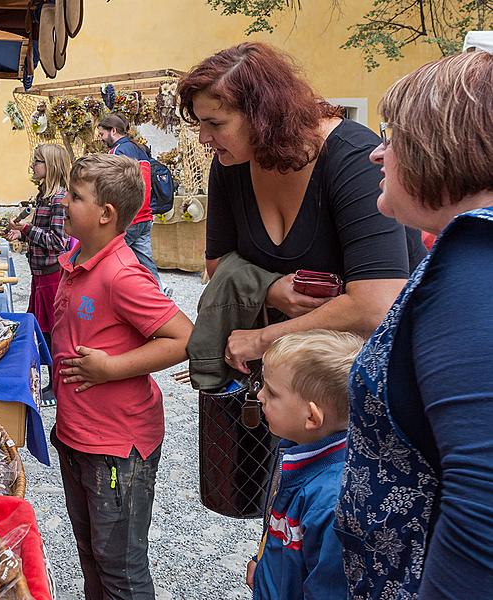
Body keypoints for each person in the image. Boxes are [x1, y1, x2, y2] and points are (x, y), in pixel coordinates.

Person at [336, 50, 493, 598]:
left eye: (393, 135)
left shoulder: (478, 259)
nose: (378, 153)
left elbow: (483, 500)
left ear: (440, 144)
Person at [176, 43, 426, 376]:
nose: (204, 138)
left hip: (358, 376)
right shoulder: (231, 161)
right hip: (279, 383)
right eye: (200, 124)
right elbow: (217, 261)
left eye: (215, 123)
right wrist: (272, 289)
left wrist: (263, 338)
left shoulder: (353, 159)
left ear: (262, 117)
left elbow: (376, 304)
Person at [50, 154, 193, 599]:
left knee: (121, 569)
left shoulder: (121, 273)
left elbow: (184, 337)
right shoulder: (78, 255)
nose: (64, 200)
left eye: (76, 196)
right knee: (92, 552)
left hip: (116, 447)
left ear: (106, 214)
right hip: (79, 436)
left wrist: (111, 368)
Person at [247, 329, 362, 599]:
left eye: (272, 393)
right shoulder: (296, 449)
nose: (260, 396)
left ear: (311, 416)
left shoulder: (331, 500)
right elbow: (285, 528)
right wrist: (262, 561)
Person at [3, 144, 71, 407]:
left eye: (37, 161)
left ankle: (56, 386)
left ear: (51, 165)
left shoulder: (58, 199)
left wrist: (27, 229)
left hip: (52, 276)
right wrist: (21, 233)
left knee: (54, 334)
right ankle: (52, 382)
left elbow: (58, 241)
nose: (33, 165)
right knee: (45, 332)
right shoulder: (44, 196)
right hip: (40, 273)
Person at [95, 114, 161, 287]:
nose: (101, 139)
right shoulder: (139, 149)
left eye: (102, 134)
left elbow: (114, 186)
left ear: (113, 131)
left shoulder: (117, 152)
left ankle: (108, 292)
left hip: (128, 217)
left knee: (106, 257)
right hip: (145, 215)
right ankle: (159, 291)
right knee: (147, 264)